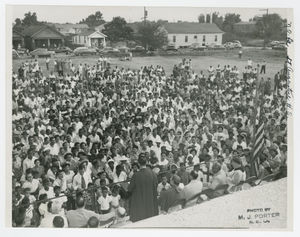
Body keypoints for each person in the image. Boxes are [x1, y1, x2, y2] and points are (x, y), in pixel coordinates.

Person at [128, 154, 159, 222]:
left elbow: (130, 189)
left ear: (138, 163)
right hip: (151, 203)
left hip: (140, 204)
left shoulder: (136, 175)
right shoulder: (153, 174)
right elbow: (156, 185)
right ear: (147, 162)